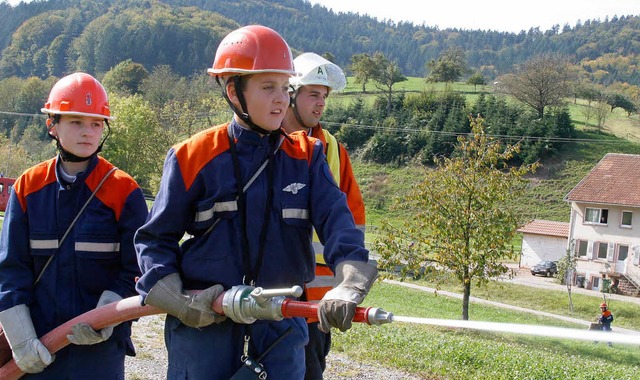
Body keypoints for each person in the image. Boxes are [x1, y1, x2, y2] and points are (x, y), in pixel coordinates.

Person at [134, 25, 377, 380]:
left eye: (284, 87)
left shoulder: (307, 157)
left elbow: (340, 225)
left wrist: (349, 283)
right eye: (268, 88)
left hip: (281, 331)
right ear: (234, 92)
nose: (281, 99)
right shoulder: (192, 157)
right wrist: (180, 302)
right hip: (206, 330)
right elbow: (154, 241)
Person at [0, 72, 148, 378]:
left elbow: (137, 268)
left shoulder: (124, 190)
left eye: (96, 123)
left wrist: (108, 316)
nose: (88, 132)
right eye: (76, 122)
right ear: (52, 125)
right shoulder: (28, 187)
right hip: (40, 347)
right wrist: (21, 339)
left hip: (100, 350)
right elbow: (11, 269)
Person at [283, 52, 366, 380]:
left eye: (325, 96)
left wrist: (346, 284)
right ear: (290, 94)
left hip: (316, 304)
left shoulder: (333, 151)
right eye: (313, 95)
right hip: (267, 294)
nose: (321, 105)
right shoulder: (264, 142)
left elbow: (354, 222)